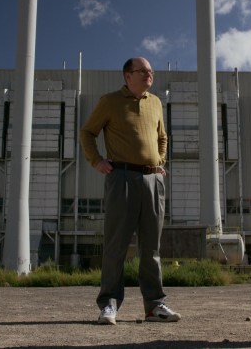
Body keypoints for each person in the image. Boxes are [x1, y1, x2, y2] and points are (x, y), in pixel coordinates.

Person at [80, 57, 181, 325]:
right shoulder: (110, 101)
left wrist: (160, 161)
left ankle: (155, 306)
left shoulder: (156, 102)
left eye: (151, 71)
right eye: (143, 71)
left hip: (153, 179)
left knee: (151, 247)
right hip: (122, 177)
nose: (149, 74)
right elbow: (87, 132)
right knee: (117, 245)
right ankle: (109, 304)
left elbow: (162, 136)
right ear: (128, 76)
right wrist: (96, 161)